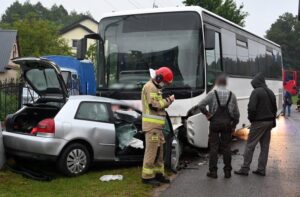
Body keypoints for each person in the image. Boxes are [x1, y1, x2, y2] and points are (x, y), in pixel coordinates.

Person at [188, 73, 240, 179]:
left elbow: (200, 105)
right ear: (225, 83)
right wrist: (234, 125)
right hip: (227, 124)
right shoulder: (232, 95)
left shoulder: (212, 94)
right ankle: (227, 172)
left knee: (214, 148)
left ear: (217, 83)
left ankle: (213, 172)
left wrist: (208, 114)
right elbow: (236, 114)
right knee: (226, 148)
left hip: (215, 123)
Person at [235, 73, 277, 177]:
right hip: (269, 122)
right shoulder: (270, 92)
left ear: (256, 83)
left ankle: (245, 169)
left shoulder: (256, 92)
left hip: (259, 122)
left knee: (250, 145)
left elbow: (251, 108)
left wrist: (252, 119)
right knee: (265, 146)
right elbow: (275, 108)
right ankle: (261, 169)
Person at [141, 67, 175, 186]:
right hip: (152, 127)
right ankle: (147, 177)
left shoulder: (155, 88)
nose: (164, 84)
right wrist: (169, 100)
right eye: (164, 81)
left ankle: (158, 174)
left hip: (157, 127)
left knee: (159, 153)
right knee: (151, 152)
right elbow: (154, 105)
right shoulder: (150, 87)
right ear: (159, 77)